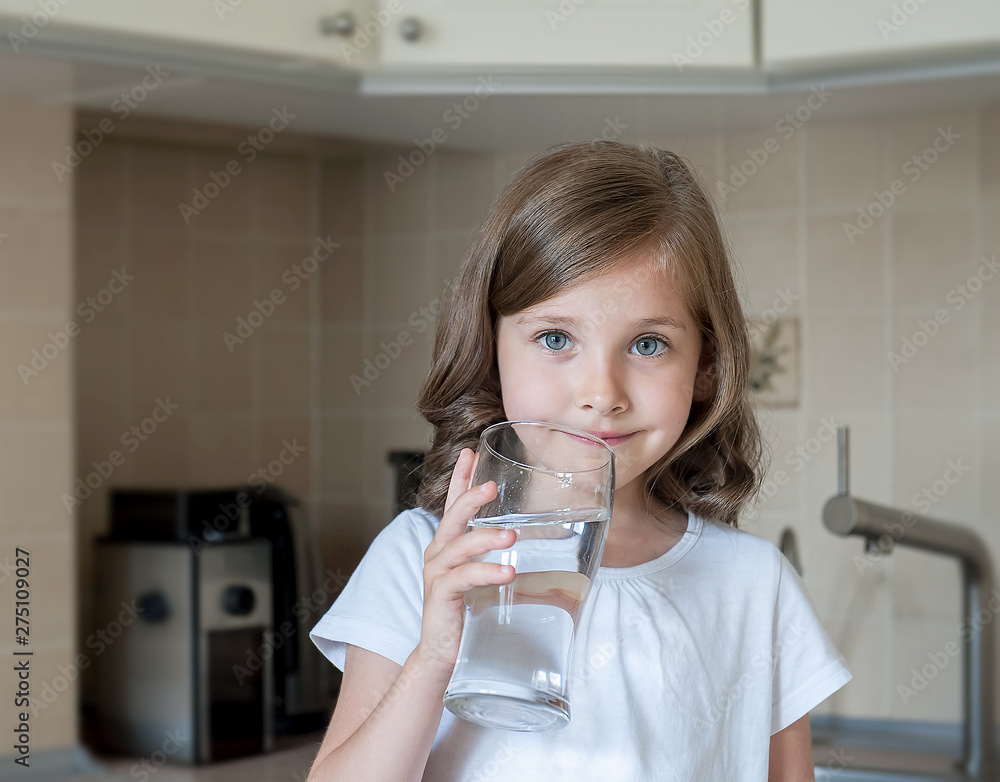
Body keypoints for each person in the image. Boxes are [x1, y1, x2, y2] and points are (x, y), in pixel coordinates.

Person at [307, 140, 852, 781]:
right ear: (492, 348)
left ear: (706, 364)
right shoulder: (423, 563)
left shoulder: (753, 585)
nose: (601, 394)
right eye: (555, 338)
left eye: (648, 344)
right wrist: (433, 656)